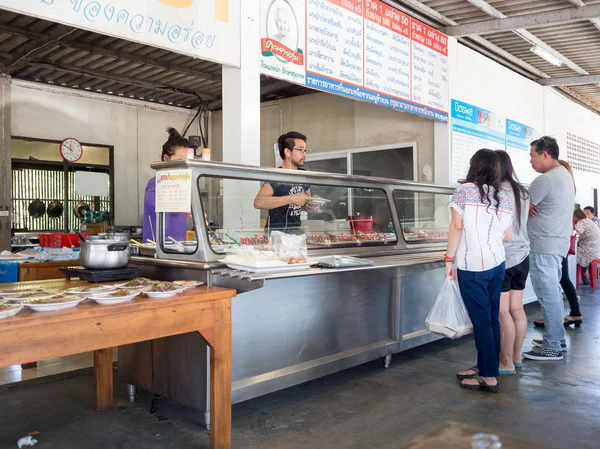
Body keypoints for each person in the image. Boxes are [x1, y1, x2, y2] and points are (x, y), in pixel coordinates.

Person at [446, 149, 513, 393]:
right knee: (491, 318)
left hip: (472, 265)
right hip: (497, 263)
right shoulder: (502, 196)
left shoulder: (465, 191)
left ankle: (488, 377)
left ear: (474, 165)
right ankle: (488, 366)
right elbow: (507, 235)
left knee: (482, 321)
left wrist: (449, 258)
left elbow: (456, 226)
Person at [522, 137, 575, 361]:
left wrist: (525, 205)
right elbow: (526, 205)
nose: (530, 161)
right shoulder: (564, 175)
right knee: (551, 292)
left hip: (544, 244)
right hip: (556, 243)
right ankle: (558, 339)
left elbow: (517, 208)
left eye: (532, 155)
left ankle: (552, 345)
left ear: (545, 154)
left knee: (548, 293)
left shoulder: (545, 180)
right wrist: (528, 205)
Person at [534, 160, 582, 328]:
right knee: (561, 281)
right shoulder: (570, 189)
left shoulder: (555, 183)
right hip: (562, 239)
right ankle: (570, 314)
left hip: (551, 241)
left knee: (552, 287)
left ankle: (554, 330)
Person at [495, 150, 529, 375]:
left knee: (502, 312)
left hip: (505, 257)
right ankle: (516, 357)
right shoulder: (523, 191)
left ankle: (505, 363)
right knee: (517, 309)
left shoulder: (497, 192)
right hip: (523, 255)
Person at [254, 131, 310, 231]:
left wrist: (312, 204)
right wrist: (290, 199)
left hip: (296, 232)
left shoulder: (303, 175)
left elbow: (307, 200)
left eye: (305, 151)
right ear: (287, 152)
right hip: (277, 234)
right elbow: (258, 202)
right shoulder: (276, 176)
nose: (304, 154)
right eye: (300, 150)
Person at [143, 127, 190, 243]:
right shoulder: (155, 183)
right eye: (180, 160)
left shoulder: (183, 186)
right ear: (166, 158)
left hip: (179, 246)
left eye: (187, 161)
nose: (184, 165)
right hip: (158, 248)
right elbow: (159, 203)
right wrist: (187, 209)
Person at [574, 205, 600, 284]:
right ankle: (582, 275)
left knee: (569, 256)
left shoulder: (581, 222)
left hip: (589, 251)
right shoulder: (588, 221)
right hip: (596, 251)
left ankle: (572, 278)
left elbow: (575, 235)